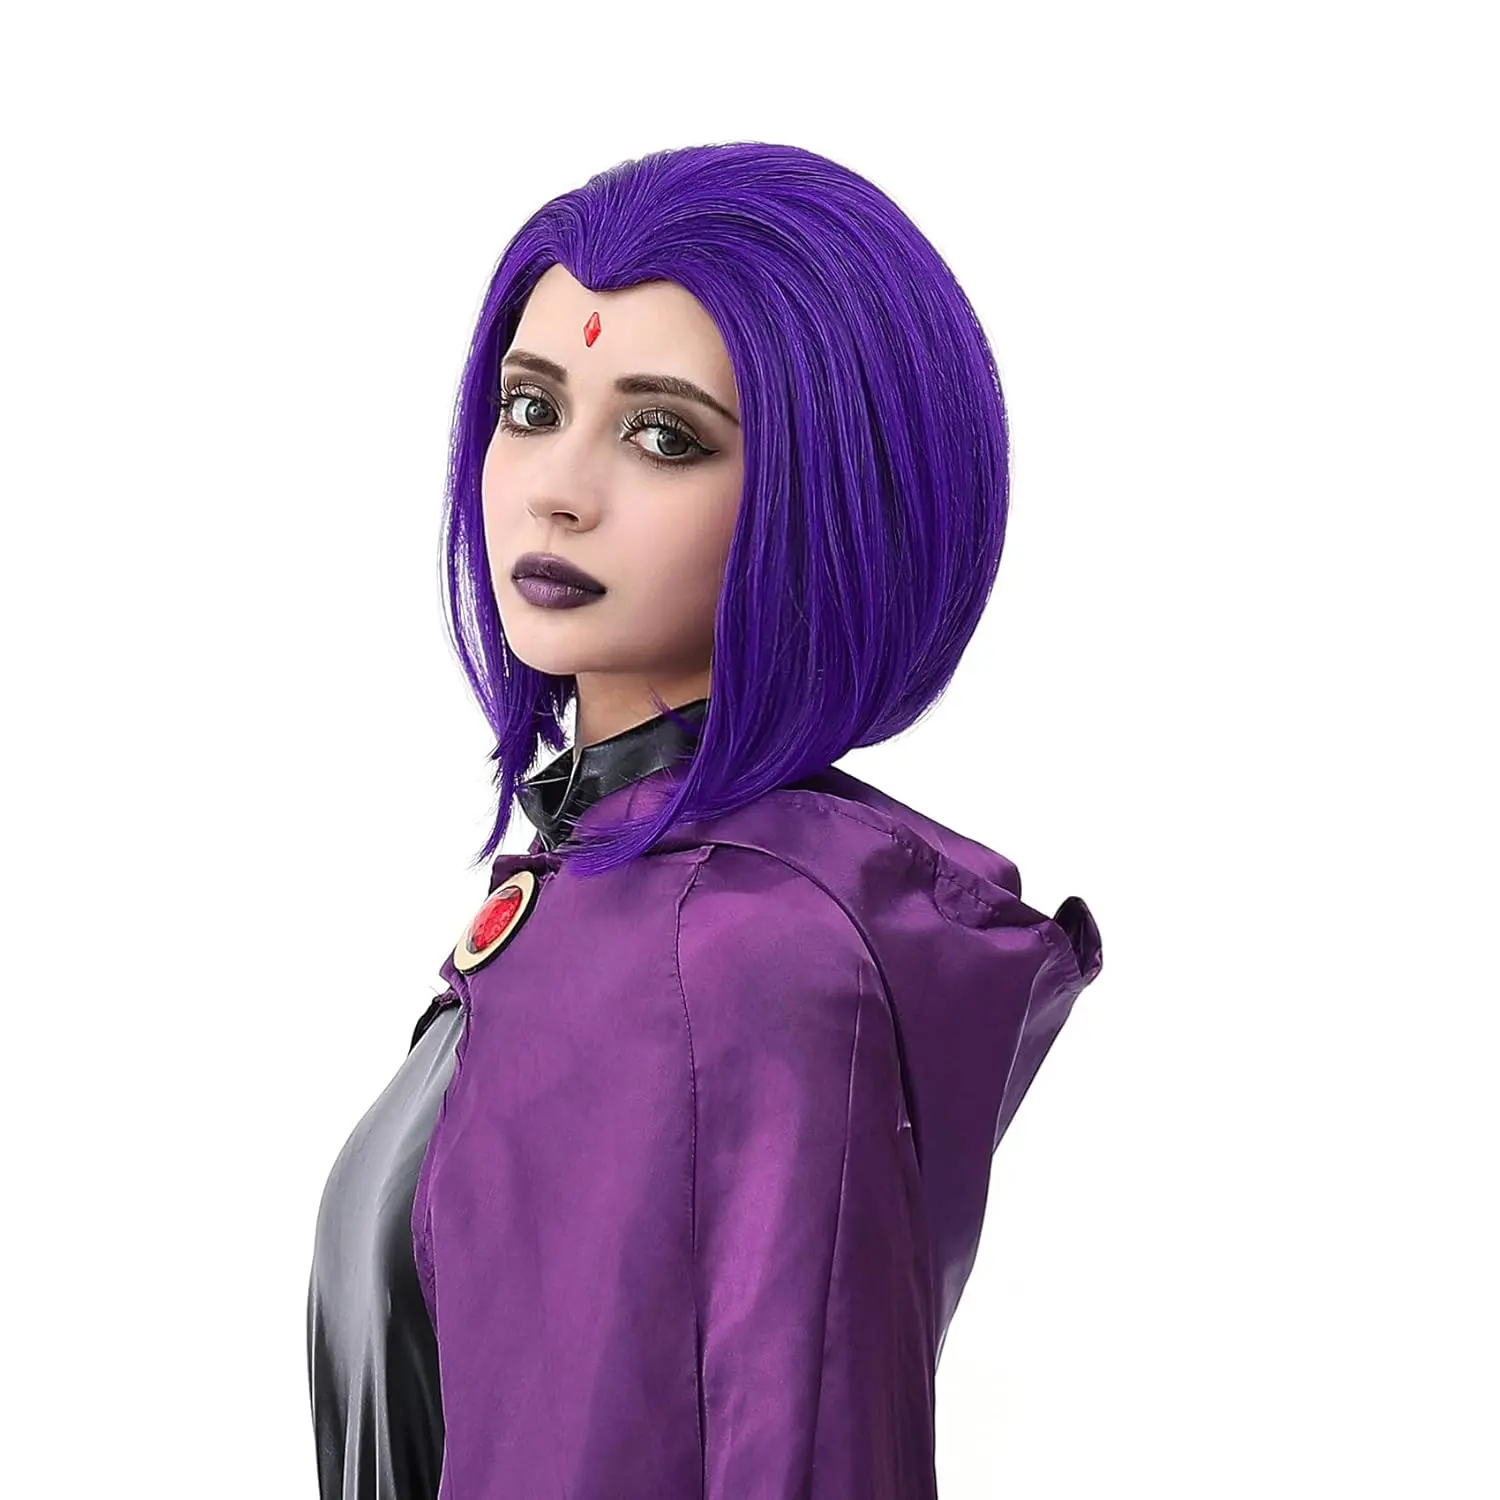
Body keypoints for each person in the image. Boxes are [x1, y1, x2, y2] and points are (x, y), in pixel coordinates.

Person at [306, 140, 1104, 1500]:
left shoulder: (745, 956)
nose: (558, 488)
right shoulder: (602, 891)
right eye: (531, 405)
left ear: (828, 492)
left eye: (663, 434)